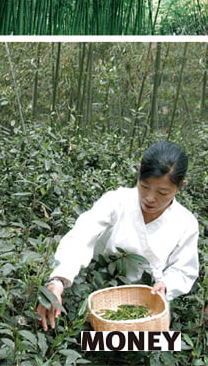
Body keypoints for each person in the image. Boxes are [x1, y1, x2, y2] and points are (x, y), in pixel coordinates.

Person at [37, 141, 199, 331]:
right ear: (139, 172)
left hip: (149, 301)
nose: (150, 198)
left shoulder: (185, 222)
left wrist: (166, 285)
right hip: (98, 286)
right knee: (89, 343)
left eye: (163, 192)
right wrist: (58, 280)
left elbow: (184, 270)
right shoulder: (117, 201)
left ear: (180, 187)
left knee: (149, 347)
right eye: (145, 186)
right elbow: (81, 236)